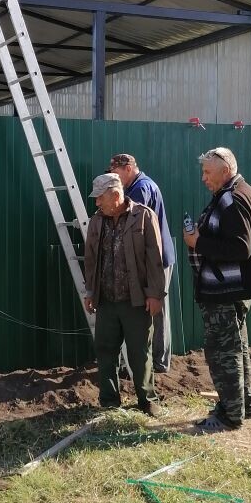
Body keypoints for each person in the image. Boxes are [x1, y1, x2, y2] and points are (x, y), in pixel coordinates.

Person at [183, 147, 251, 433]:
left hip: (225, 292)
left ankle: (230, 416)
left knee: (223, 353)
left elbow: (240, 248)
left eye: (208, 172)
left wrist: (198, 243)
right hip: (233, 290)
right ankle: (242, 405)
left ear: (225, 171)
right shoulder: (241, 193)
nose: (204, 178)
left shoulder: (232, 199)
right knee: (237, 349)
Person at [84, 173, 166, 417]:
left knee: (140, 352)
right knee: (105, 350)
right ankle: (109, 401)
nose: (97, 203)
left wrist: (155, 294)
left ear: (116, 195)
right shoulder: (97, 221)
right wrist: (90, 291)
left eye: (100, 198)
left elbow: (155, 259)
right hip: (107, 300)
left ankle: (147, 400)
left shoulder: (143, 216)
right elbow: (90, 260)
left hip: (137, 301)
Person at [109, 153, 176, 372]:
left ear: (128, 168)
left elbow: (133, 226)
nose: (114, 176)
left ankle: (158, 363)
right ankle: (153, 361)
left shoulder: (141, 189)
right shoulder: (135, 187)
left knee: (157, 309)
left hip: (157, 260)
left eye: (116, 171)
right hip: (151, 258)